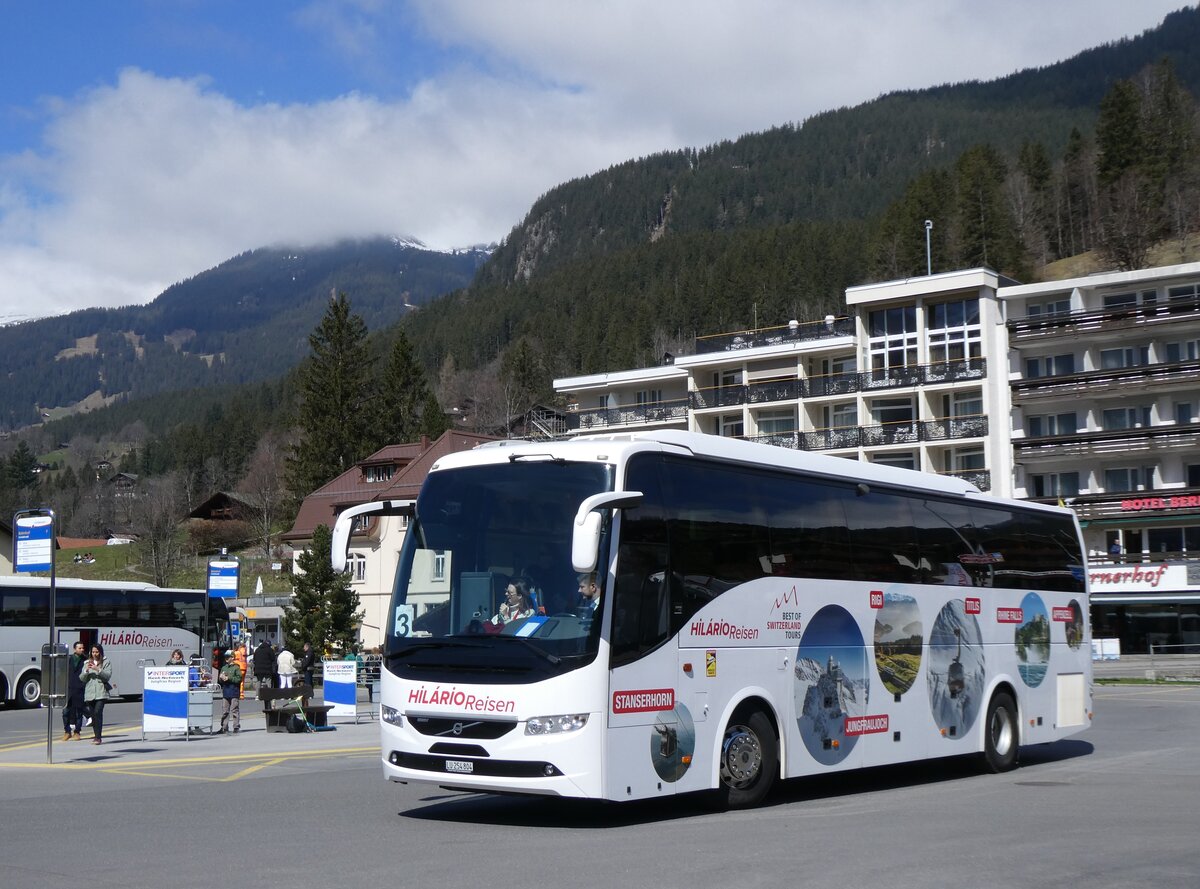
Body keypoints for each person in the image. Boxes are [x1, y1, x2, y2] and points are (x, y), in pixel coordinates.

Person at [80, 643, 112, 745]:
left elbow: (107, 676)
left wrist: (97, 669)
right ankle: (96, 735)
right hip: (90, 692)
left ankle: (98, 737)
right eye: (93, 652)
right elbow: (82, 678)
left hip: (101, 692)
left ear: (100, 652)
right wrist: (86, 671)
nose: (95, 654)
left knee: (98, 712)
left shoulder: (106, 662)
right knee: (93, 715)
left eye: (97, 652)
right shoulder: (86, 662)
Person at [62, 640, 87, 741]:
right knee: (65, 712)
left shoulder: (85, 660)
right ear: (74, 649)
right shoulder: (69, 659)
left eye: (82, 648)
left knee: (78, 713)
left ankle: (77, 732)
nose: (81, 650)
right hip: (68, 688)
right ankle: (67, 731)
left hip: (80, 688)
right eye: (79, 648)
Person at [217, 649, 242, 733]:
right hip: (226, 691)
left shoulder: (236, 667)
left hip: (234, 691)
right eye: (225, 657)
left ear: (232, 657)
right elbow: (220, 681)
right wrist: (221, 678)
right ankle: (224, 727)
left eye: (228, 657)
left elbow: (239, 679)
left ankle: (236, 727)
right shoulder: (224, 667)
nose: (226, 659)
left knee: (234, 710)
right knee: (225, 711)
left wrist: (229, 678)